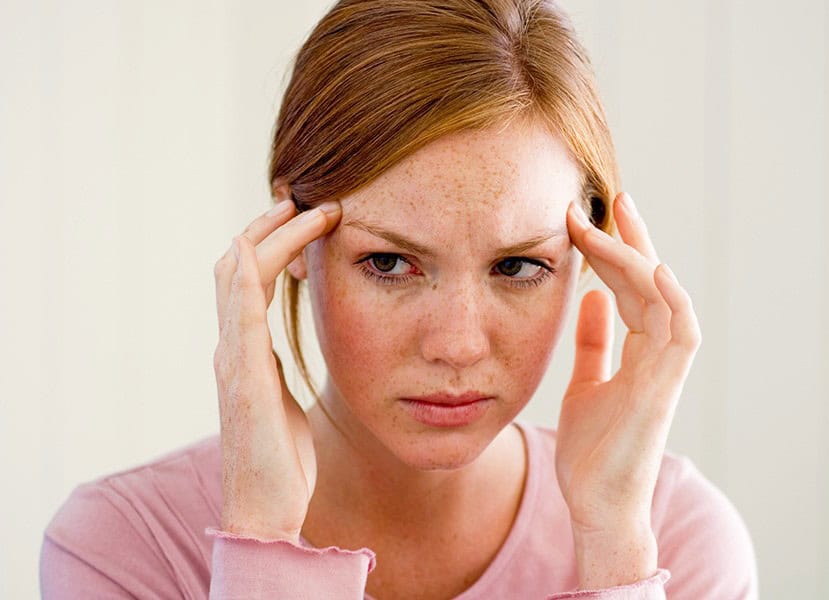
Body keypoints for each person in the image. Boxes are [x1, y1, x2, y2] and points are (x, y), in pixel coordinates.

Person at [39, 0, 758, 598]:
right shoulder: (122, 548)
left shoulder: (678, 543)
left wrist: (612, 543)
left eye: (516, 266)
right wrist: (261, 537)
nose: (457, 344)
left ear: (592, 255)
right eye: (389, 262)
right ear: (289, 237)